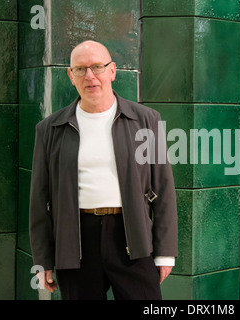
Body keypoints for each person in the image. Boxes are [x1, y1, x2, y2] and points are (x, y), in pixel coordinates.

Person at [29, 40, 178, 300]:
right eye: (80, 69)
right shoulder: (49, 129)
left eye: (97, 67)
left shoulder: (146, 120)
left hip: (132, 237)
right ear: (71, 76)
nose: (89, 76)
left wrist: (165, 252)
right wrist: (43, 260)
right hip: (75, 242)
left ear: (112, 71)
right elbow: (39, 202)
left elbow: (163, 190)